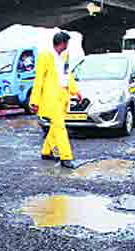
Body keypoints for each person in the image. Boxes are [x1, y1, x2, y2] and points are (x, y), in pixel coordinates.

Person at [29, 31, 82, 169]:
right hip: (51, 97)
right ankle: (66, 157)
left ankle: (46, 151)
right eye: (67, 43)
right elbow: (38, 79)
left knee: (55, 126)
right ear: (63, 43)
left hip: (63, 96)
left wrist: (75, 91)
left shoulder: (64, 56)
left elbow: (67, 75)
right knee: (60, 127)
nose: (68, 46)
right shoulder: (45, 56)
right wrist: (34, 101)